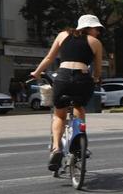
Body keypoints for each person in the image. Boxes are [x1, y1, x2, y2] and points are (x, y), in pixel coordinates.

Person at [30, 14, 104, 171]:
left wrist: (36, 73)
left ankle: (56, 148)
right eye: (96, 29)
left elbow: (50, 58)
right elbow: (97, 69)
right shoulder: (96, 43)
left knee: (59, 115)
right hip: (82, 79)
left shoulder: (62, 35)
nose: (98, 32)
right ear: (88, 28)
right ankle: (79, 138)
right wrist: (96, 78)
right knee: (79, 107)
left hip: (62, 78)